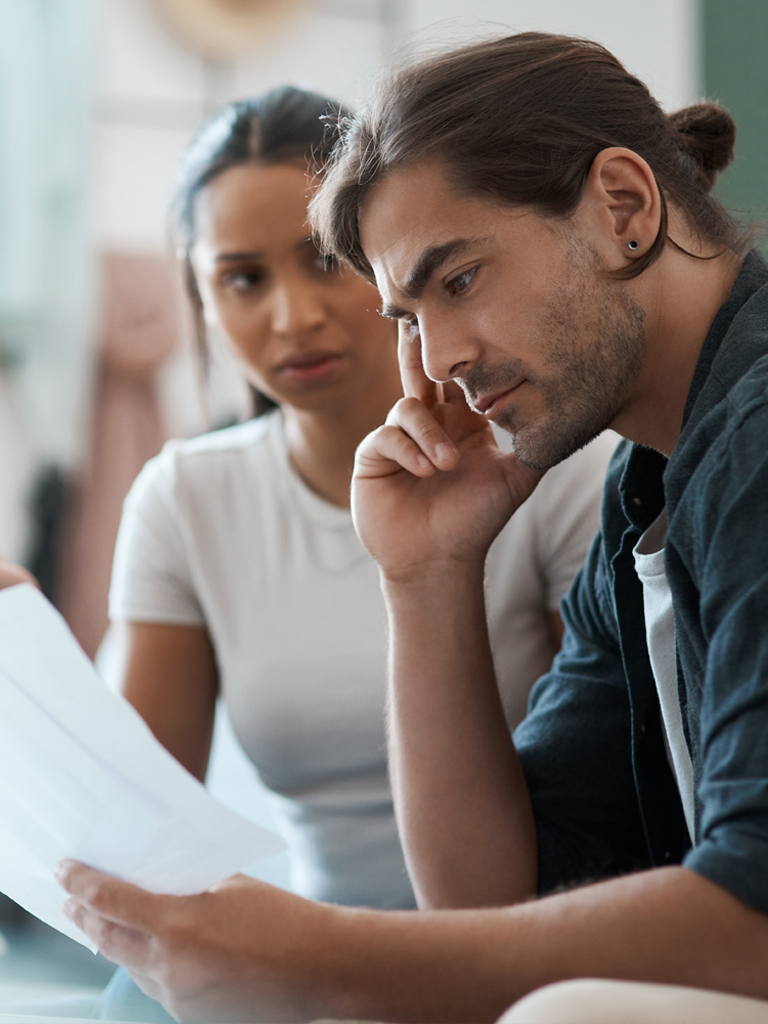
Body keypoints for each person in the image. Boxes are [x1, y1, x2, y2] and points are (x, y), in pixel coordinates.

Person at [56, 32, 768, 1023]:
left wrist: (320, 951)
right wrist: (427, 572)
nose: (438, 365)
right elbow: (497, 908)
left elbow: (753, 918)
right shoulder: (647, 481)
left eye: (460, 280)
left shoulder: (753, 441)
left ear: (624, 207)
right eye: (409, 314)